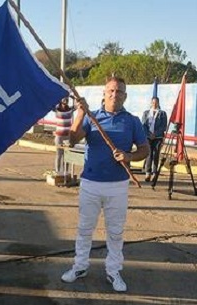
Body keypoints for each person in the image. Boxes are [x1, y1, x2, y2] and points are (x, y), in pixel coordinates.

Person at [61, 77, 149, 292]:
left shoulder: (132, 121)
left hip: (117, 186)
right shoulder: (92, 117)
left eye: (119, 91)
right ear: (104, 92)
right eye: (111, 90)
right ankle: (80, 266)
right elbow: (72, 139)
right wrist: (81, 112)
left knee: (116, 232)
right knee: (84, 229)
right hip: (90, 183)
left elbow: (145, 149)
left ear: (125, 96)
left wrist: (128, 156)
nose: (114, 94)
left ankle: (113, 270)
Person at [141, 97, 168, 182]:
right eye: (153, 102)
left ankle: (154, 173)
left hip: (158, 137)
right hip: (148, 136)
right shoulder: (146, 113)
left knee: (156, 154)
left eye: (156, 102)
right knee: (149, 154)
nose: (154, 104)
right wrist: (149, 134)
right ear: (151, 103)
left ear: (158, 103)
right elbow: (144, 125)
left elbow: (163, 126)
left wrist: (155, 134)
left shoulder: (162, 113)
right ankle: (147, 173)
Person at [53, 97, 74, 175]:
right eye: (64, 99)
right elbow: (51, 104)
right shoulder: (57, 110)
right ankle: (58, 172)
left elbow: (76, 105)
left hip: (67, 136)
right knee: (59, 154)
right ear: (60, 100)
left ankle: (66, 172)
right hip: (59, 136)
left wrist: (74, 98)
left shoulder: (70, 110)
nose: (66, 100)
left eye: (67, 99)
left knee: (67, 155)